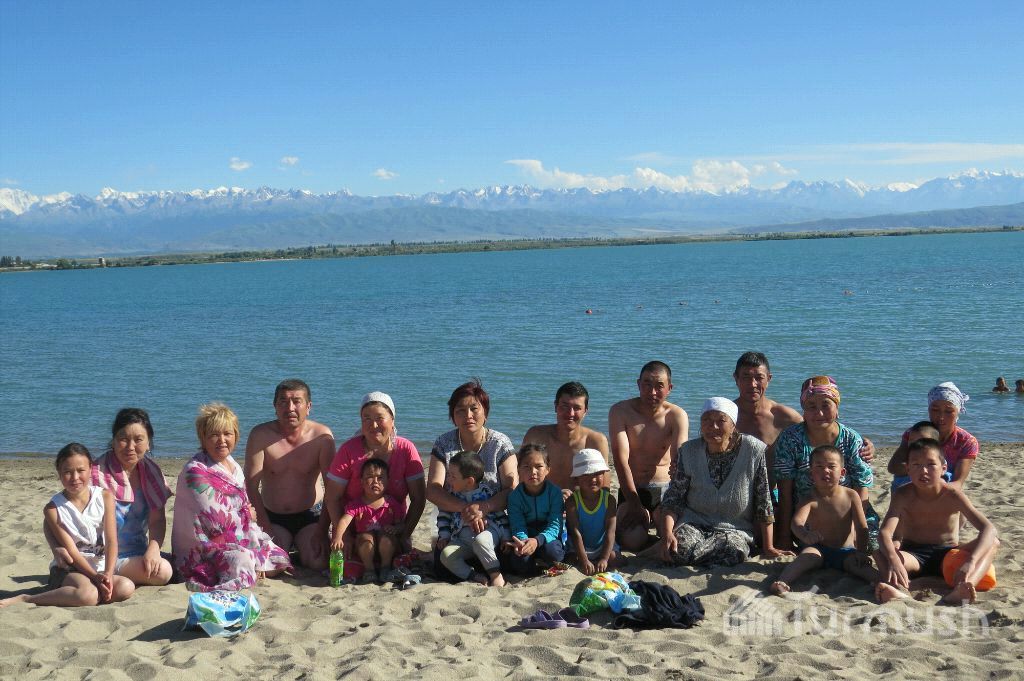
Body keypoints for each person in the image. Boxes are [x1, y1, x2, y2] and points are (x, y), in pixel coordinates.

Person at [44, 408, 174, 587]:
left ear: (148, 443)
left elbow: (157, 520)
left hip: (138, 551)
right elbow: (57, 512)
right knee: (164, 571)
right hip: (100, 558)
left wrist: (153, 550)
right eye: (123, 439)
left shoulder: (152, 472)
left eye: (138, 439)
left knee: (178, 565)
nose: (130, 447)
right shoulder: (96, 473)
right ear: (113, 441)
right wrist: (56, 547)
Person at [172, 403, 292, 592]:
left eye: (227, 434)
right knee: (243, 561)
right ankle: (252, 566)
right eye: (214, 435)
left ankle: (254, 565)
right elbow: (215, 520)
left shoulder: (233, 465)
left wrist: (246, 515)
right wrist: (247, 515)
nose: (222, 440)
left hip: (239, 534)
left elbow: (241, 503)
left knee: (280, 558)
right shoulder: (194, 471)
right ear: (203, 437)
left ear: (235, 436)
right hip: (207, 546)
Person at [657, 398, 789, 567]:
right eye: (706, 420)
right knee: (678, 547)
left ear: (733, 425)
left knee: (733, 552)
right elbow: (673, 499)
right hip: (694, 524)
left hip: (735, 530)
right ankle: (694, 554)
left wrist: (768, 547)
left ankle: (692, 555)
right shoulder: (689, 451)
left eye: (721, 421)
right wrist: (667, 534)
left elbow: (763, 500)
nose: (713, 427)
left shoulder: (753, 450)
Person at [2, 444, 135, 607]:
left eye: (81, 470)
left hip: (99, 566)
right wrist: (94, 577)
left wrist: (107, 573)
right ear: (59, 473)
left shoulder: (105, 496)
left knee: (126, 587)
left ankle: (87, 590)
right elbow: (71, 551)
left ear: (91, 469)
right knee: (88, 595)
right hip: (70, 568)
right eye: (67, 472)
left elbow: (112, 541)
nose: (75, 477)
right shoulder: (53, 509)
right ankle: (27, 598)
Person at [874, 439, 999, 605]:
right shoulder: (902, 494)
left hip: (947, 553)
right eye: (916, 465)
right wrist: (894, 559)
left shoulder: (953, 495)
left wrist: (971, 561)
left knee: (993, 542)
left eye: (931, 464)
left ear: (943, 468)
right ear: (908, 469)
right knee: (880, 553)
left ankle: (962, 588)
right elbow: (885, 532)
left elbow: (988, 528)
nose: (923, 471)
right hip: (913, 554)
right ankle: (902, 590)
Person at [732, 352, 874, 485]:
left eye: (759, 377)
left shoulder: (784, 417)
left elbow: (821, 426)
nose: (752, 384)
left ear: (769, 379)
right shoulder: (727, 417)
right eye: (745, 377)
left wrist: (864, 443)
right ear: (736, 379)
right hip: (735, 489)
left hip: (771, 492)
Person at [325, 392, 425, 577]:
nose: (374, 425)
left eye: (380, 418)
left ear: (392, 420)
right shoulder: (348, 450)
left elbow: (419, 498)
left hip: (392, 531)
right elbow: (332, 497)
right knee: (343, 566)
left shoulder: (405, 449)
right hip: (356, 531)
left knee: (395, 559)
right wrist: (345, 536)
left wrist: (404, 534)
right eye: (367, 419)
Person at [426, 380, 517, 575]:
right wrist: (465, 509)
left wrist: (484, 507)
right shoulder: (444, 443)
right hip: (457, 525)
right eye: (460, 410)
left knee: (515, 563)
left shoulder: (500, 443)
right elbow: (433, 489)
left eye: (474, 409)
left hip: (494, 524)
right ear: (453, 416)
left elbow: (512, 489)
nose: (468, 415)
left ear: (485, 412)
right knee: (442, 568)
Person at [773, 376, 874, 550]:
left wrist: (853, 531)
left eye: (826, 405)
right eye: (811, 406)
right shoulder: (790, 439)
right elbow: (785, 491)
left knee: (872, 545)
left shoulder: (851, 439)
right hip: (806, 512)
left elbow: (861, 486)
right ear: (803, 409)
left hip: (846, 511)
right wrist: (784, 536)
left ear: (837, 407)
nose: (819, 413)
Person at [244, 379, 335, 571]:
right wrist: (264, 525)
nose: (290, 408)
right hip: (273, 516)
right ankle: (289, 549)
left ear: (308, 407)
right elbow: (250, 485)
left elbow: (332, 489)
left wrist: (322, 530)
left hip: (311, 515)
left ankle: (301, 549)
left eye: (297, 401)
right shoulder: (260, 435)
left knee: (318, 563)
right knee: (271, 568)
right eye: (283, 402)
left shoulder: (322, 437)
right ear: (275, 406)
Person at [770, 446, 877, 595]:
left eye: (831, 466)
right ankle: (782, 581)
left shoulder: (851, 496)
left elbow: (861, 526)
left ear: (842, 473)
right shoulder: (809, 498)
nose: (825, 471)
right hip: (819, 548)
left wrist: (861, 551)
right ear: (811, 473)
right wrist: (805, 534)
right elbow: (796, 522)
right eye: (819, 467)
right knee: (804, 558)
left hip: (846, 550)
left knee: (859, 565)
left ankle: (883, 582)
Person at [609, 361, 689, 551]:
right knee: (632, 541)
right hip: (632, 489)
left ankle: (657, 524)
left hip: (665, 490)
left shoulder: (676, 415)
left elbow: (679, 460)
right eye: (646, 384)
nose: (652, 392)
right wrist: (634, 503)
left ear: (669, 388)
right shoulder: (621, 411)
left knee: (676, 540)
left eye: (659, 386)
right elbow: (620, 461)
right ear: (638, 384)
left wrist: (675, 499)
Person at [886, 382, 978, 491]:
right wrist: (924, 472)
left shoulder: (966, 442)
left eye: (948, 411)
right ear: (929, 409)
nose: (941, 417)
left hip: (944, 490)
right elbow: (893, 466)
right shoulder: (915, 433)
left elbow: (957, 483)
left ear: (958, 412)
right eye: (935, 410)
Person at [520, 381, 609, 493]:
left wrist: (573, 499)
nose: (570, 413)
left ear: (585, 411)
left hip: (579, 502)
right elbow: (521, 477)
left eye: (577, 408)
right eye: (564, 406)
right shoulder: (536, 436)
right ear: (555, 406)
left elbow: (604, 488)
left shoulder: (595, 441)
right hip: (543, 500)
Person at [435, 451, 508, 586]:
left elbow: (500, 515)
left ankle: (495, 575)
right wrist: (444, 536)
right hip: (463, 540)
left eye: (453, 476)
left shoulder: (486, 493)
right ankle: (474, 576)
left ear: (469, 481)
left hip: (488, 534)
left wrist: (505, 536)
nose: (448, 480)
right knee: (445, 555)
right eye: (448, 475)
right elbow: (444, 516)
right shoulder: (453, 496)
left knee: (480, 540)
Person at [331, 458, 406, 584]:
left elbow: (401, 525)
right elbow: (344, 521)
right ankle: (369, 569)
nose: (375, 481)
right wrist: (338, 537)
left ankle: (385, 568)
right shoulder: (357, 504)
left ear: (387, 481)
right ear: (361, 481)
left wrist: (395, 529)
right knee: (365, 537)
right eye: (370, 477)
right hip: (364, 548)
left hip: (387, 547)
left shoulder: (391, 503)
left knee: (386, 538)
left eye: (380, 478)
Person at [505, 444, 566, 575]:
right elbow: (517, 525)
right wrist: (524, 542)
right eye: (526, 467)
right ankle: (534, 566)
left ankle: (542, 559)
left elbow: (555, 526)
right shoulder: (514, 497)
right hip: (526, 536)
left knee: (554, 554)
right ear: (518, 469)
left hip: (547, 537)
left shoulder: (555, 493)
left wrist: (538, 541)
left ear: (548, 469)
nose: (533, 471)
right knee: (520, 561)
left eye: (539, 466)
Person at [565, 448, 618, 575]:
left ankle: (600, 559)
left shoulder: (609, 500)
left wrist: (604, 558)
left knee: (615, 559)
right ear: (576, 479)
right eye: (586, 475)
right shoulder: (572, 502)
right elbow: (575, 532)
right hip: (580, 546)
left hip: (602, 545)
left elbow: (610, 531)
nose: (593, 479)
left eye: (597, 474)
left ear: (603, 474)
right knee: (570, 560)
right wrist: (584, 560)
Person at [886, 421, 941, 489]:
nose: (916, 444)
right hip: (901, 491)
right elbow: (891, 468)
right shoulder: (907, 456)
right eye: (911, 441)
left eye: (922, 441)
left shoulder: (937, 459)